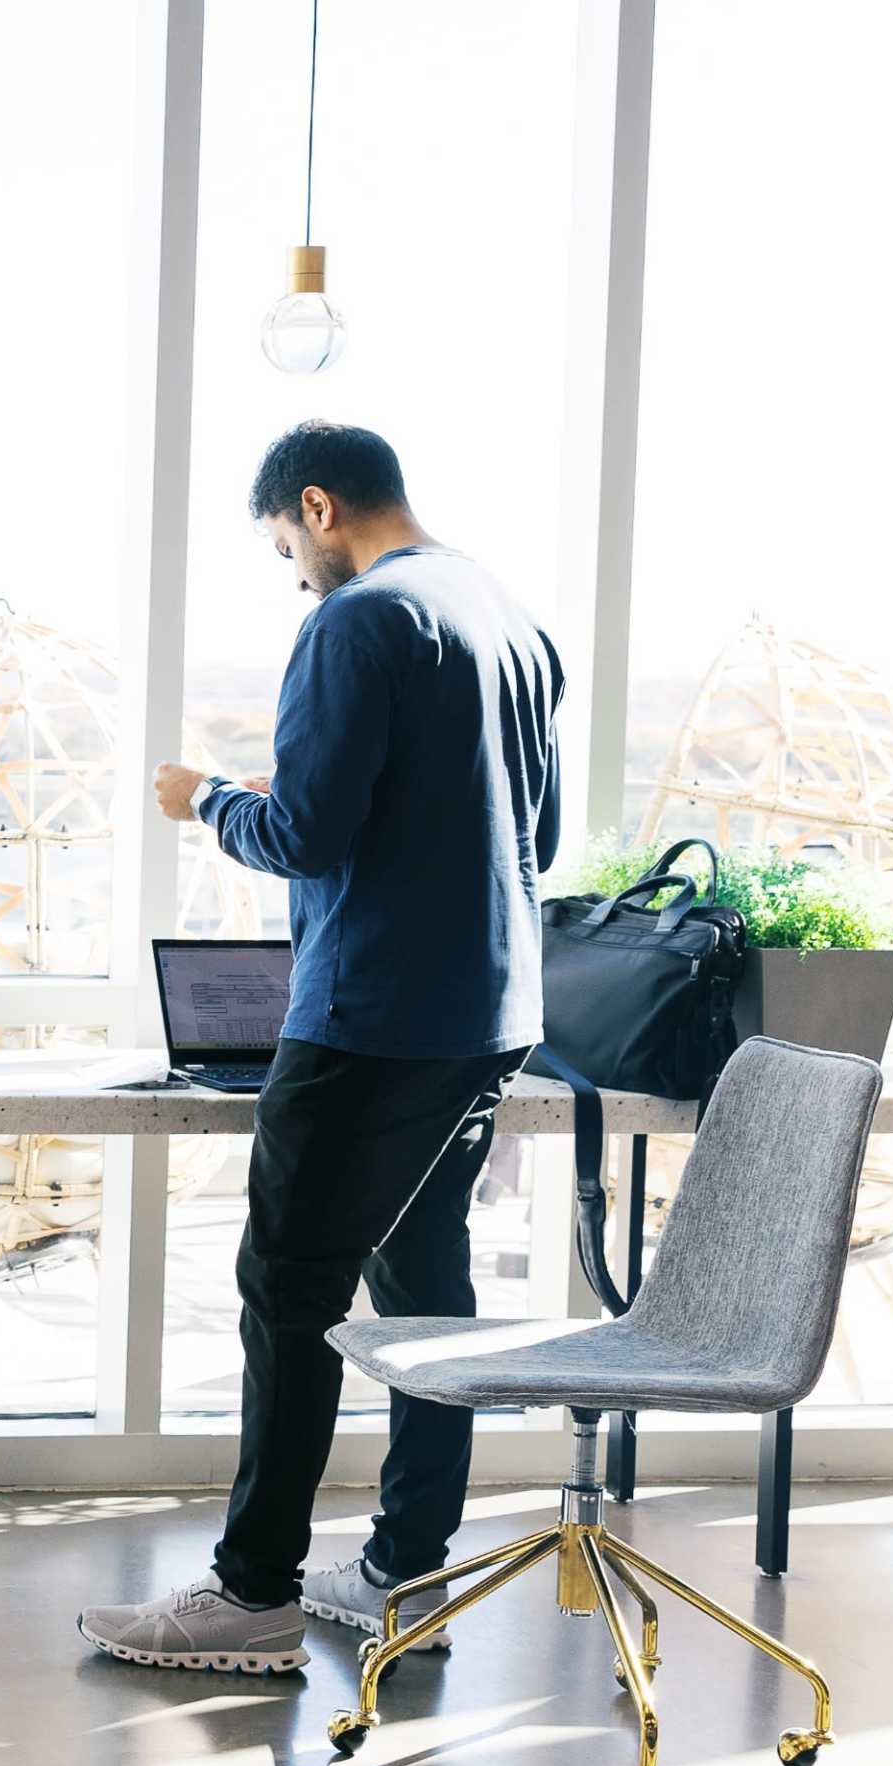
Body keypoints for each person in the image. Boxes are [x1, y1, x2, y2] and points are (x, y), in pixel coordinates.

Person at [80, 420, 563, 1674]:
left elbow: (302, 834)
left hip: (368, 1018)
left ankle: (251, 1594)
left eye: (288, 545)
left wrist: (207, 803)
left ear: (317, 506)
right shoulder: (511, 619)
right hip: (492, 1014)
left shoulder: (357, 623)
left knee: (290, 1294)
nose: (295, 571)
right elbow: (542, 839)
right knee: (424, 1286)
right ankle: (408, 1565)